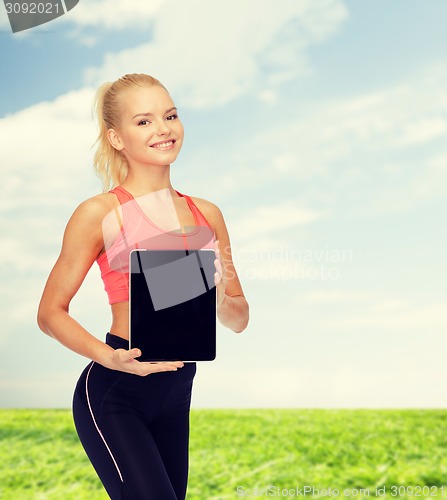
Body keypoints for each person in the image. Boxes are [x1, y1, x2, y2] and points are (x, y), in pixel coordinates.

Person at [37, 73, 249, 500]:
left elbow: (238, 319)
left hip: (178, 388)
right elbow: (50, 313)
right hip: (118, 389)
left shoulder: (206, 213)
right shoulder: (98, 212)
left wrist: (217, 282)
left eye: (170, 116)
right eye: (144, 121)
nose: (163, 129)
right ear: (117, 138)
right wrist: (109, 357)